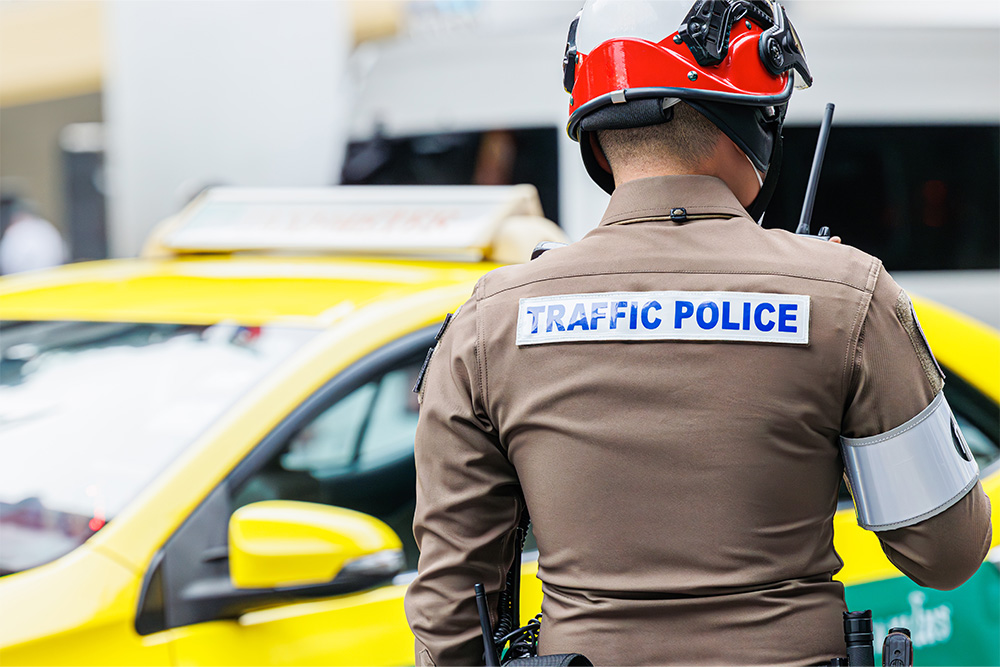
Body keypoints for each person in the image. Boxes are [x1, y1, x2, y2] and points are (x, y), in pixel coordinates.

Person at [403, 1, 992, 664]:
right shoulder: (846, 298)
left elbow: (453, 617)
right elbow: (947, 552)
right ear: (754, 120)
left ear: (594, 137)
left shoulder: (489, 321)